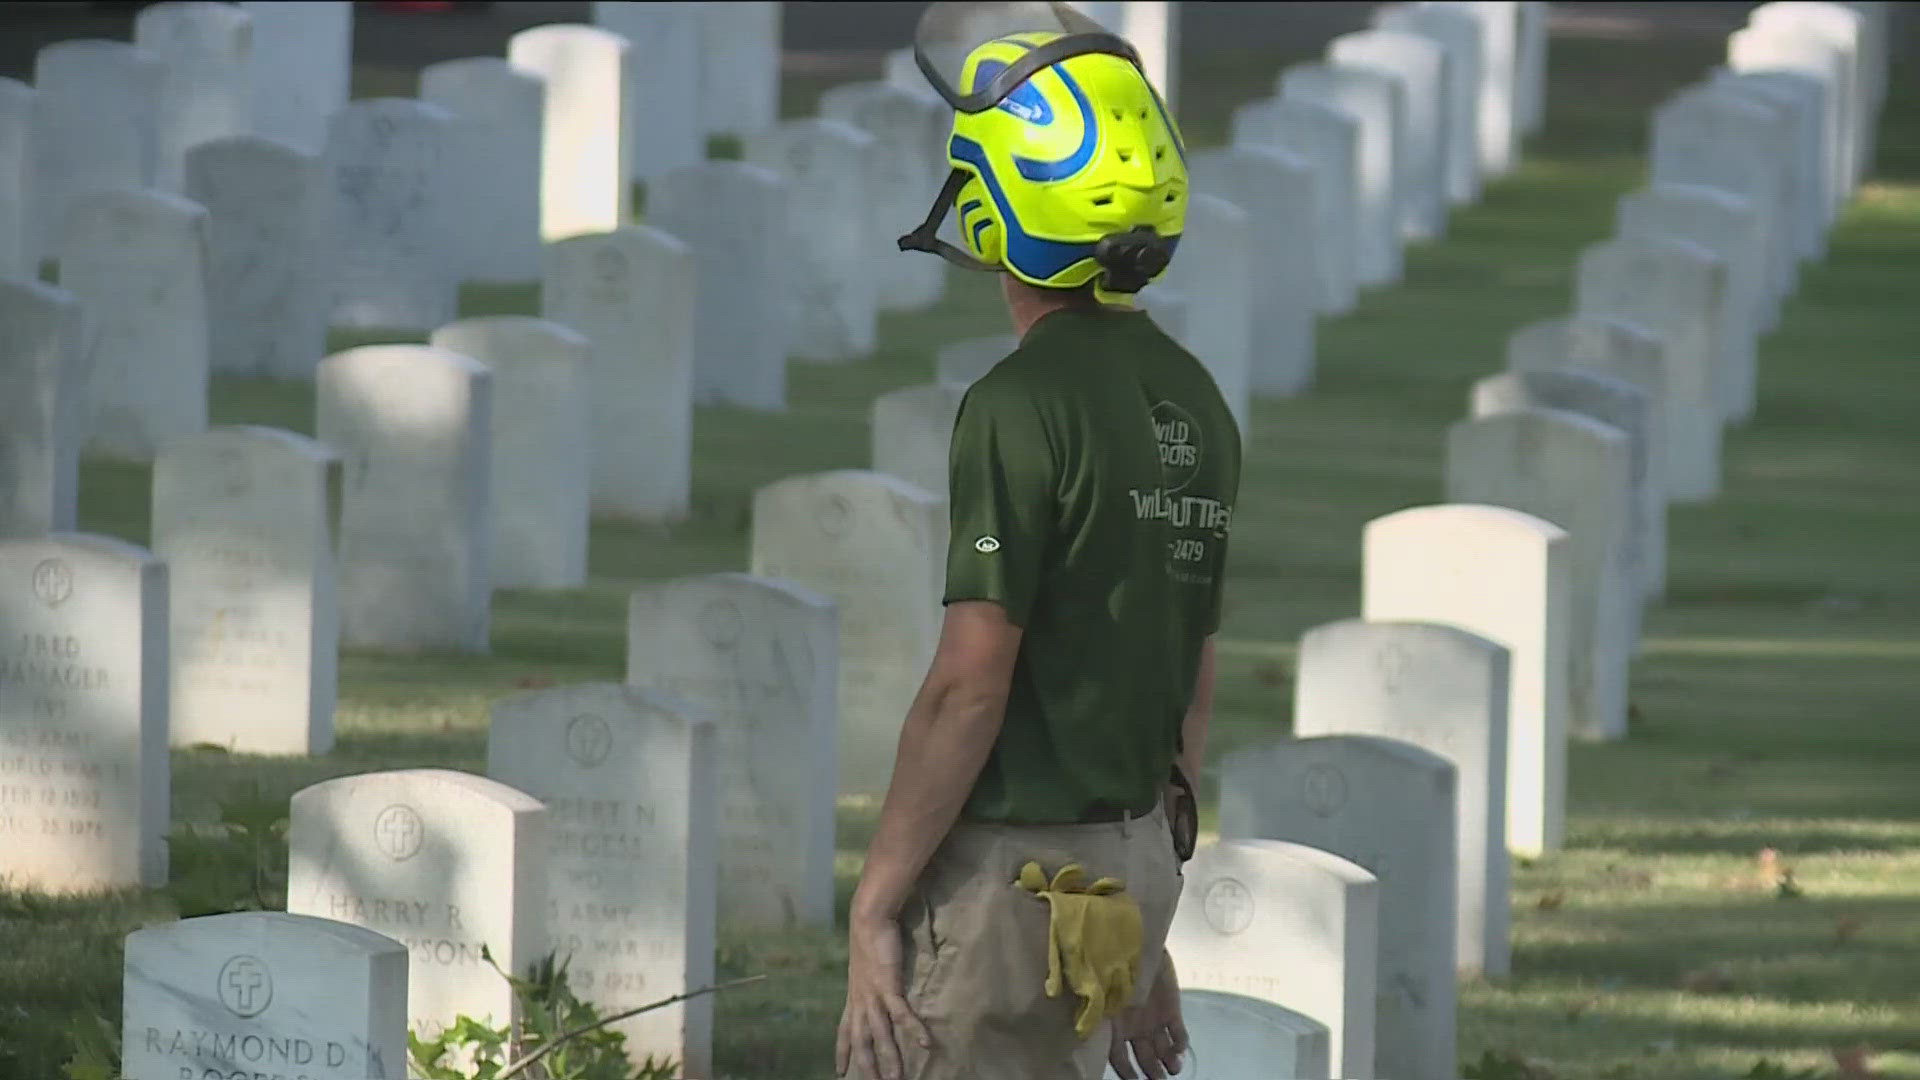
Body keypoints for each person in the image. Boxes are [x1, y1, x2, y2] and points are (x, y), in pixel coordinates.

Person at [835, 5, 1242, 1079]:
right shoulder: (1197, 400)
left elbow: (971, 685)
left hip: (1008, 893)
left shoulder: (1019, 404)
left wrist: (874, 906)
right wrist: (1150, 911)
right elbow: (1187, 675)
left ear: (1001, 200)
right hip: (1134, 859)